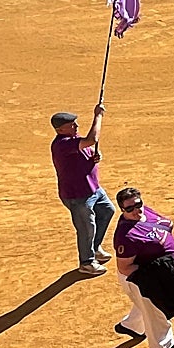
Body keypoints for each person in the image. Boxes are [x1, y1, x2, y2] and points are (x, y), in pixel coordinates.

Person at [112, 186, 174, 348]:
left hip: (157, 270)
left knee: (145, 305)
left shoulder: (144, 211)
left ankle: (131, 326)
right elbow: (124, 267)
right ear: (122, 209)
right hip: (139, 277)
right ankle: (162, 345)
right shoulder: (125, 235)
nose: (136, 210)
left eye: (138, 204)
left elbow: (165, 224)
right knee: (156, 309)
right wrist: (154, 275)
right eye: (129, 208)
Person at [51, 106, 115, 275]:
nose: (77, 126)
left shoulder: (74, 138)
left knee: (108, 211)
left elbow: (88, 149)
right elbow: (92, 139)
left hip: (94, 189)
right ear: (60, 129)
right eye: (72, 124)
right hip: (77, 195)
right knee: (87, 228)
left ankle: (94, 248)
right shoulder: (62, 144)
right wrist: (98, 116)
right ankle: (86, 262)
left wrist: (95, 158)